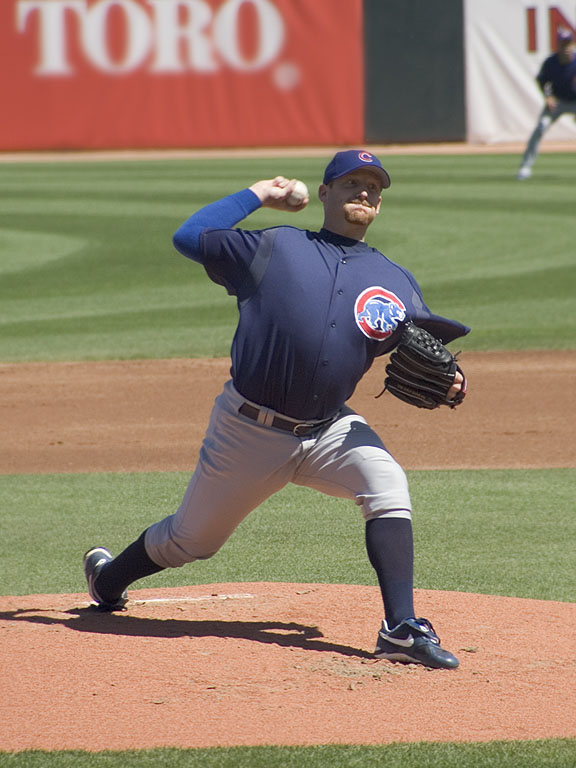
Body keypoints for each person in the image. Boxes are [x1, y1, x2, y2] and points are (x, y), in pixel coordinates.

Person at [83, 149, 470, 670]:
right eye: (351, 182)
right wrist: (261, 194)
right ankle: (107, 580)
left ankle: (400, 627)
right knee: (191, 540)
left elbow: (422, 346)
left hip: (330, 428)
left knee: (387, 485)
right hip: (249, 430)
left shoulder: (394, 279)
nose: (364, 192)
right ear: (325, 192)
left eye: (373, 187)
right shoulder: (273, 246)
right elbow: (189, 237)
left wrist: (452, 379)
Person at [517, 28, 576, 180]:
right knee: (541, 127)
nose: (566, 47)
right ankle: (525, 166)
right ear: (558, 46)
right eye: (563, 44)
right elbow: (542, 81)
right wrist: (548, 97)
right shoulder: (551, 63)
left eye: (568, 43)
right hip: (558, 102)